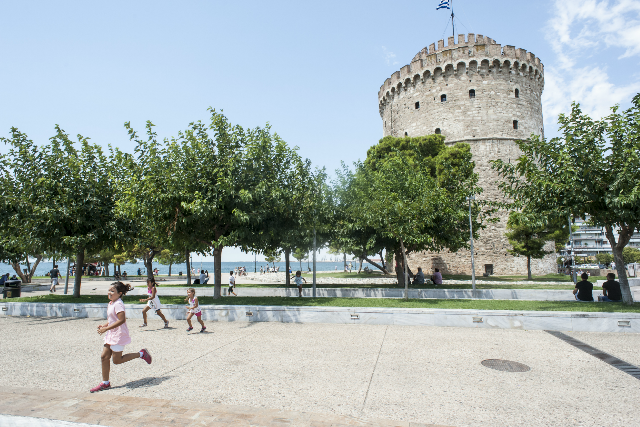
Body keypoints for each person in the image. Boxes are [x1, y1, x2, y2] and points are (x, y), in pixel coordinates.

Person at [91, 281, 152, 392]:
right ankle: (105, 383)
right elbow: (112, 320)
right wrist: (104, 326)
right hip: (111, 333)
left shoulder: (118, 303)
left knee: (117, 360)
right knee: (104, 357)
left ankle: (141, 354)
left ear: (119, 293)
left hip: (118, 334)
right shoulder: (111, 303)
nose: (109, 292)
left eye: (112, 291)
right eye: (109, 290)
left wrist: (106, 329)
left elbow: (122, 320)